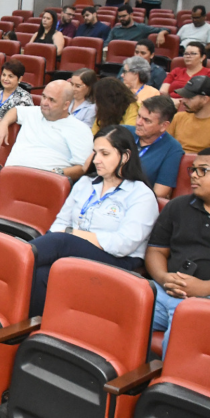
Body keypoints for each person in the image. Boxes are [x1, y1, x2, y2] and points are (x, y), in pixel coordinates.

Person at [26, 126, 158, 317]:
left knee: (61, 241)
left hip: (117, 260)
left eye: (105, 153)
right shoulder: (85, 183)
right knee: (40, 274)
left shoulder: (141, 195)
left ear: (126, 156)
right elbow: (60, 222)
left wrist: (74, 236)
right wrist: (70, 239)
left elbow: (123, 244)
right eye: (95, 152)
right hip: (72, 253)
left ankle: (11, 262)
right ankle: (28, 328)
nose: (96, 160)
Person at [145, 147, 210, 357]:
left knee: (186, 324)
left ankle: (168, 386)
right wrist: (163, 277)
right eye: (193, 170)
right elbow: (156, 251)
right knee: (120, 305)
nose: (193, 176)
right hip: (167, 291)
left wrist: (204, 288)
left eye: (203, 170)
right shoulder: (178, 206)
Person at [0, 80, 93, 203]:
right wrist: (3, 124)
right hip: (8, 179)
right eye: (43, 96)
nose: (44, 103)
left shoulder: (80, 130)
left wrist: (58, 173)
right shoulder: (34, 112)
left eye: (51, 100)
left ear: (66, 105)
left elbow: (83, 167)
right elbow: (16, 111)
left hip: (41, 187)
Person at [126, 95, 183, 198]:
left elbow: (160, 192)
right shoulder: (123, 132)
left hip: (137, 200)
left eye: (147, 120)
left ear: (164, 126)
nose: (138, 123)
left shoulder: (173, 149)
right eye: (139, 116)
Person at [168, 76, 210, 154]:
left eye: (189, 98)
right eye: (184, 97)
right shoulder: (178, 117)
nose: (183, 101)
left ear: (205, 99)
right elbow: (165, 146)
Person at [105, 5, 171, 47]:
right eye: (120, 17)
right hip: (117, 56)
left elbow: (167, 29)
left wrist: (161, 33)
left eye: (124, 16)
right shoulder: (115, 29)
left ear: (131, 15)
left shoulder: (142, 28)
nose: (121, 19)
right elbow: (107, 44)